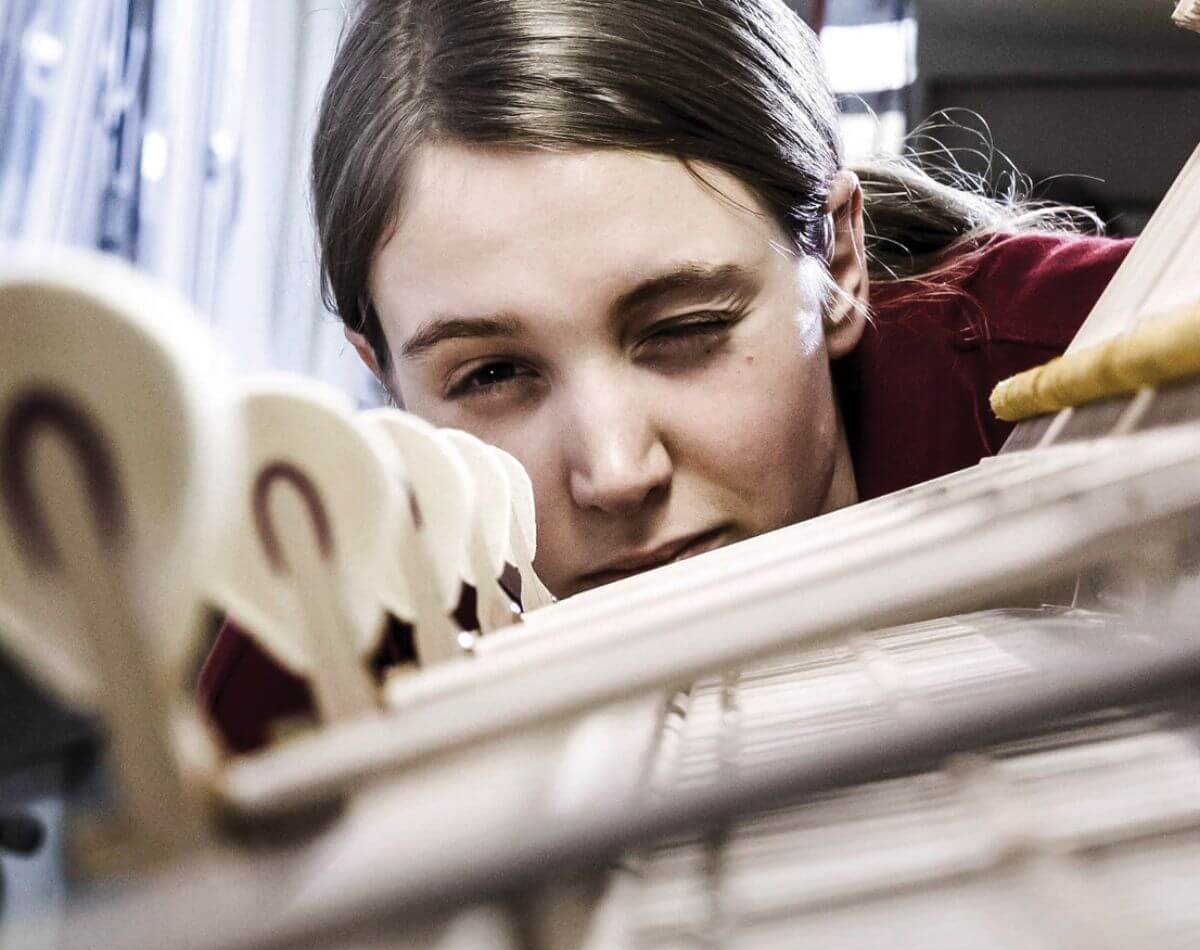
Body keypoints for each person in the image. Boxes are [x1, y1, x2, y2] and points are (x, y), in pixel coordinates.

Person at [199, 0, 1130, 750]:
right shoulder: (321, 651)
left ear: (839, 263)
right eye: (491, 374)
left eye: (684, 330)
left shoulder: (1100, 362)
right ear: (388, 382)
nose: (616, 472)